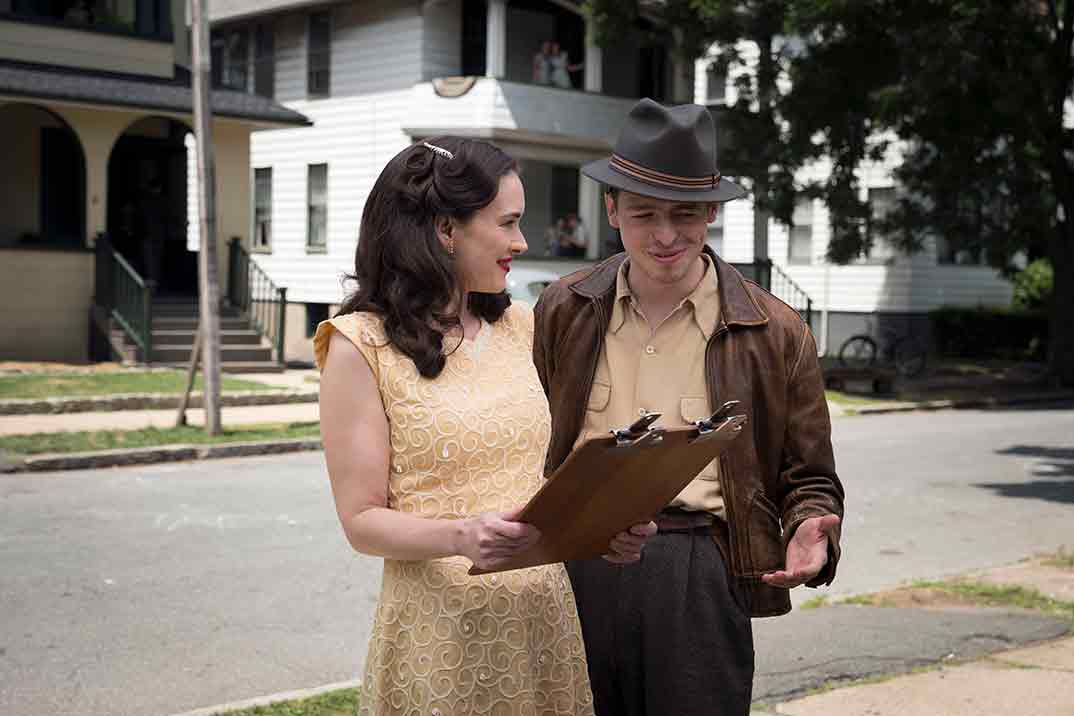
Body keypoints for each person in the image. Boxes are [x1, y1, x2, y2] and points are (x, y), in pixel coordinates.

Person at [315, 136, 656, 716]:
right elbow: (362, 522)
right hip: (440, 640)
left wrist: (605, 525)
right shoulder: (360, 345)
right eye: (508, 223)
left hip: (542, 627)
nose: (521, 242)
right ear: (446, 229)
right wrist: (461, 537)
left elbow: (553, 473)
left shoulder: (523, 327)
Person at [532, 99, 845, 716]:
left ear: (711, 212)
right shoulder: (562, 310)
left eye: (684, 213)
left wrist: (812, 526)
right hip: (575, 564)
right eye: (644, 213)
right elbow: (527, 438)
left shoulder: (776, 330)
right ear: (611, 208)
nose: (666, 235)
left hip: (704, 570)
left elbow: (810, 477)